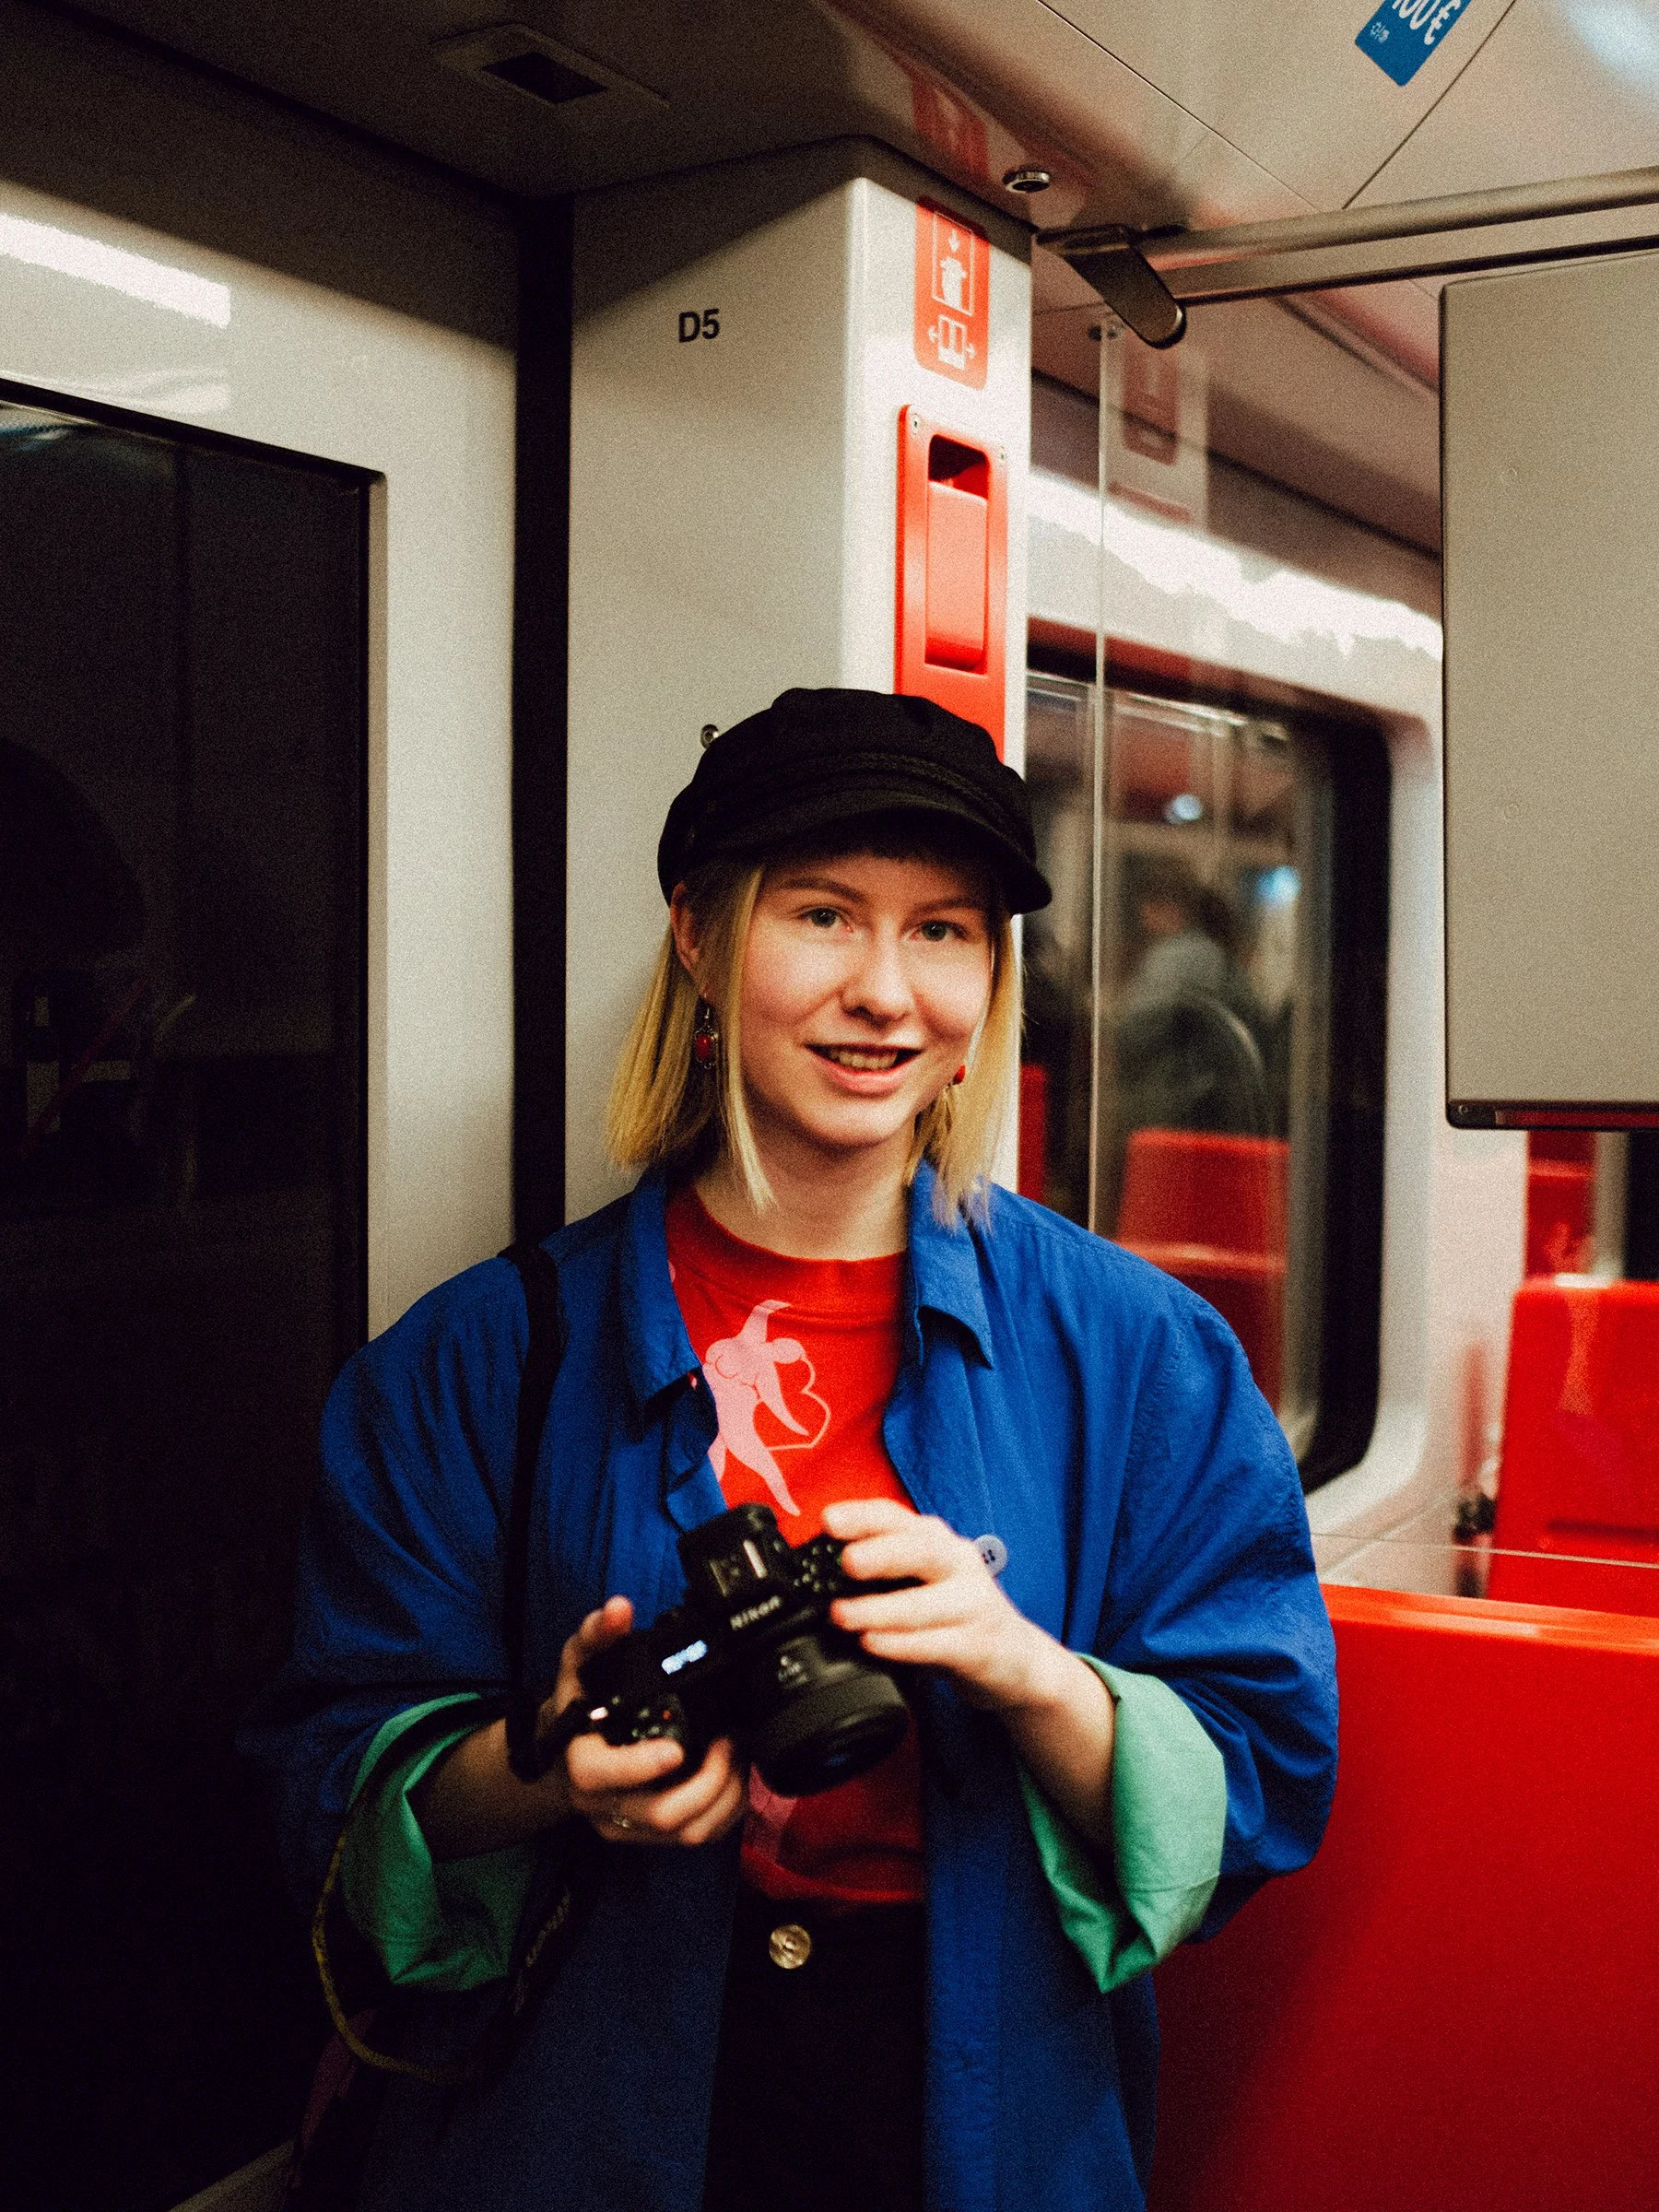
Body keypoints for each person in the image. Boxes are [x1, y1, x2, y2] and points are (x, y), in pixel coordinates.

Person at [242, 688, 1338, 2212]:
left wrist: (1029, 1672)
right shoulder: (479, 1361)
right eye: (824, 916)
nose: (886, 992)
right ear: (699, 934)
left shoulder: (1139, 1355)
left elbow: (1266, 1777)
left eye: (945, 932)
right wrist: (548, 1768)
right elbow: (329, 1805)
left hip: (978, 2100)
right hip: (580, 2097)